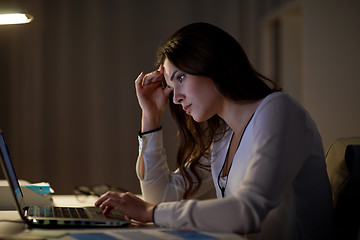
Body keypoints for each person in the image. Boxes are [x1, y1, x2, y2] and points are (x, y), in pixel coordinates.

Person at [95, 22, 333, 239]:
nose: (175, 98)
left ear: (213, 63)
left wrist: (151, 212)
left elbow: (247, 211)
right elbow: (160, 198)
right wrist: (151, 115)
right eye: (169, 85)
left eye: (180, 78)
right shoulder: (224, 138)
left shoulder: (279, 111)